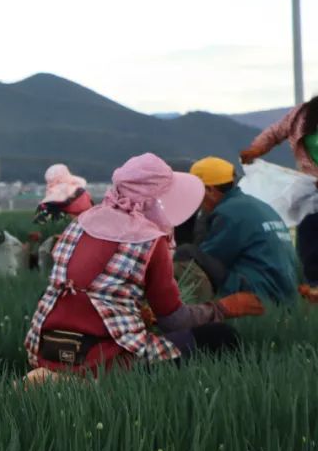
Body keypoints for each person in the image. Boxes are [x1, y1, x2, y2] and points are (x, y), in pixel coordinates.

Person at [24, 153, 264, 375]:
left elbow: (92, 289)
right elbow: (174, 321)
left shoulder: (79, 225)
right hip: (102, 360)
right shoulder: (149, 240)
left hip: (47, 351)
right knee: (221, 337)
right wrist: (223, 308)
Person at [174, 157, 298, 305]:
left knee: (187, 253)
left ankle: (189, 310)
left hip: (260, 292)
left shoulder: (228, 213)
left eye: (195, 191)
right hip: (284, 292)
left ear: (210, 190)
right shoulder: (254, 205)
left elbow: (210, 257)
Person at [240, 96, 318, 299]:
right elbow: (276, 132)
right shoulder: (303, 114)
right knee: (309, 235)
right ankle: (312, 288)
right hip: (310, 188)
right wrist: (257, 149)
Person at [33, 164, 93, 273]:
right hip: (86, 237)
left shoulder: (50, 206)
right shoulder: (85, 195)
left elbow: (40, 223)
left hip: (62, 240)